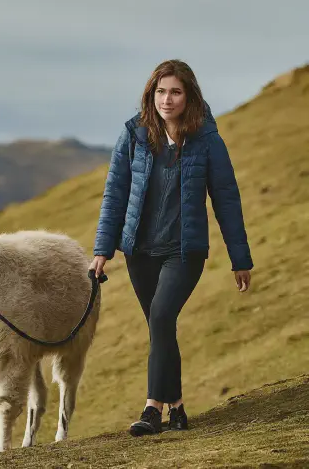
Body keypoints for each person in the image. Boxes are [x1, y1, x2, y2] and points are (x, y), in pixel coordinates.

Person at [89, 59, 253, 436]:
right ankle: (177, 407)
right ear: (152, 94)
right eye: (161, 91)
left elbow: (226, 198)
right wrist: (103, 249)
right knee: (160, 327)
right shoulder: (133, 135)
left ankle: (152, 410)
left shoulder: (207, 140)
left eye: (175, 92)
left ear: (189, 96)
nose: (167, 99)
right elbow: (114, 194)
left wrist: (239, 258)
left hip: (183, 252)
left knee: (161, 318)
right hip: (139, 252)